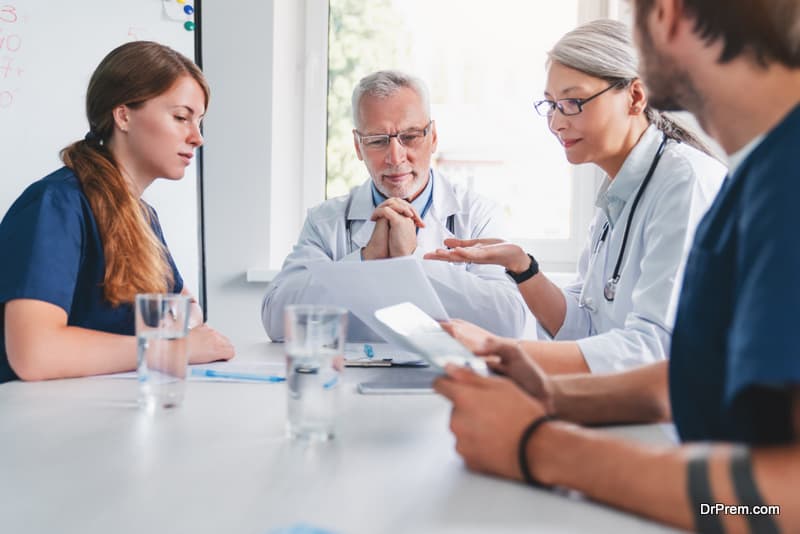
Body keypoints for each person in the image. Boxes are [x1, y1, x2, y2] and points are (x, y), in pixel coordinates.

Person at [434, 1, 800, 531]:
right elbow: (688, 378)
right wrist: (546, 392)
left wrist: (539, 447)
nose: (558, 120)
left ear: (667, 15)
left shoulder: (775, 184)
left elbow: (781, 506)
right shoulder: (759, 174)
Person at [425, 19, 726, 375]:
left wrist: (503, 348)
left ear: (635, 96)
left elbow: (656, 350)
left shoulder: (685, 182)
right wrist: (522, 267)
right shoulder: (616, 196)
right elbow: (583, 329)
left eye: (573, 102)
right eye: (551, 104)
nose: (556, 122)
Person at [0, 41, 234, 383]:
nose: (197, 137)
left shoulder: (143, 216)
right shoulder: (56, 204)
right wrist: (167, 348)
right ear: (123, 115)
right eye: (181, 117)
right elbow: (35, 354)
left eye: (199, 121)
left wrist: (175, 329)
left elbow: (187, 308)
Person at [262, 70, 527, 341]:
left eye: (410, 137)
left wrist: (412, 258)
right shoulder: (326, 221)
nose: (395, 156)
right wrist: (366, 260)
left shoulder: (477, 215)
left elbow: (507, 323)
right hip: (351, 379)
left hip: (446, 380)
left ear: (433, 137)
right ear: (357, 146)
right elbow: (277, 322)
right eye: (377, 140)